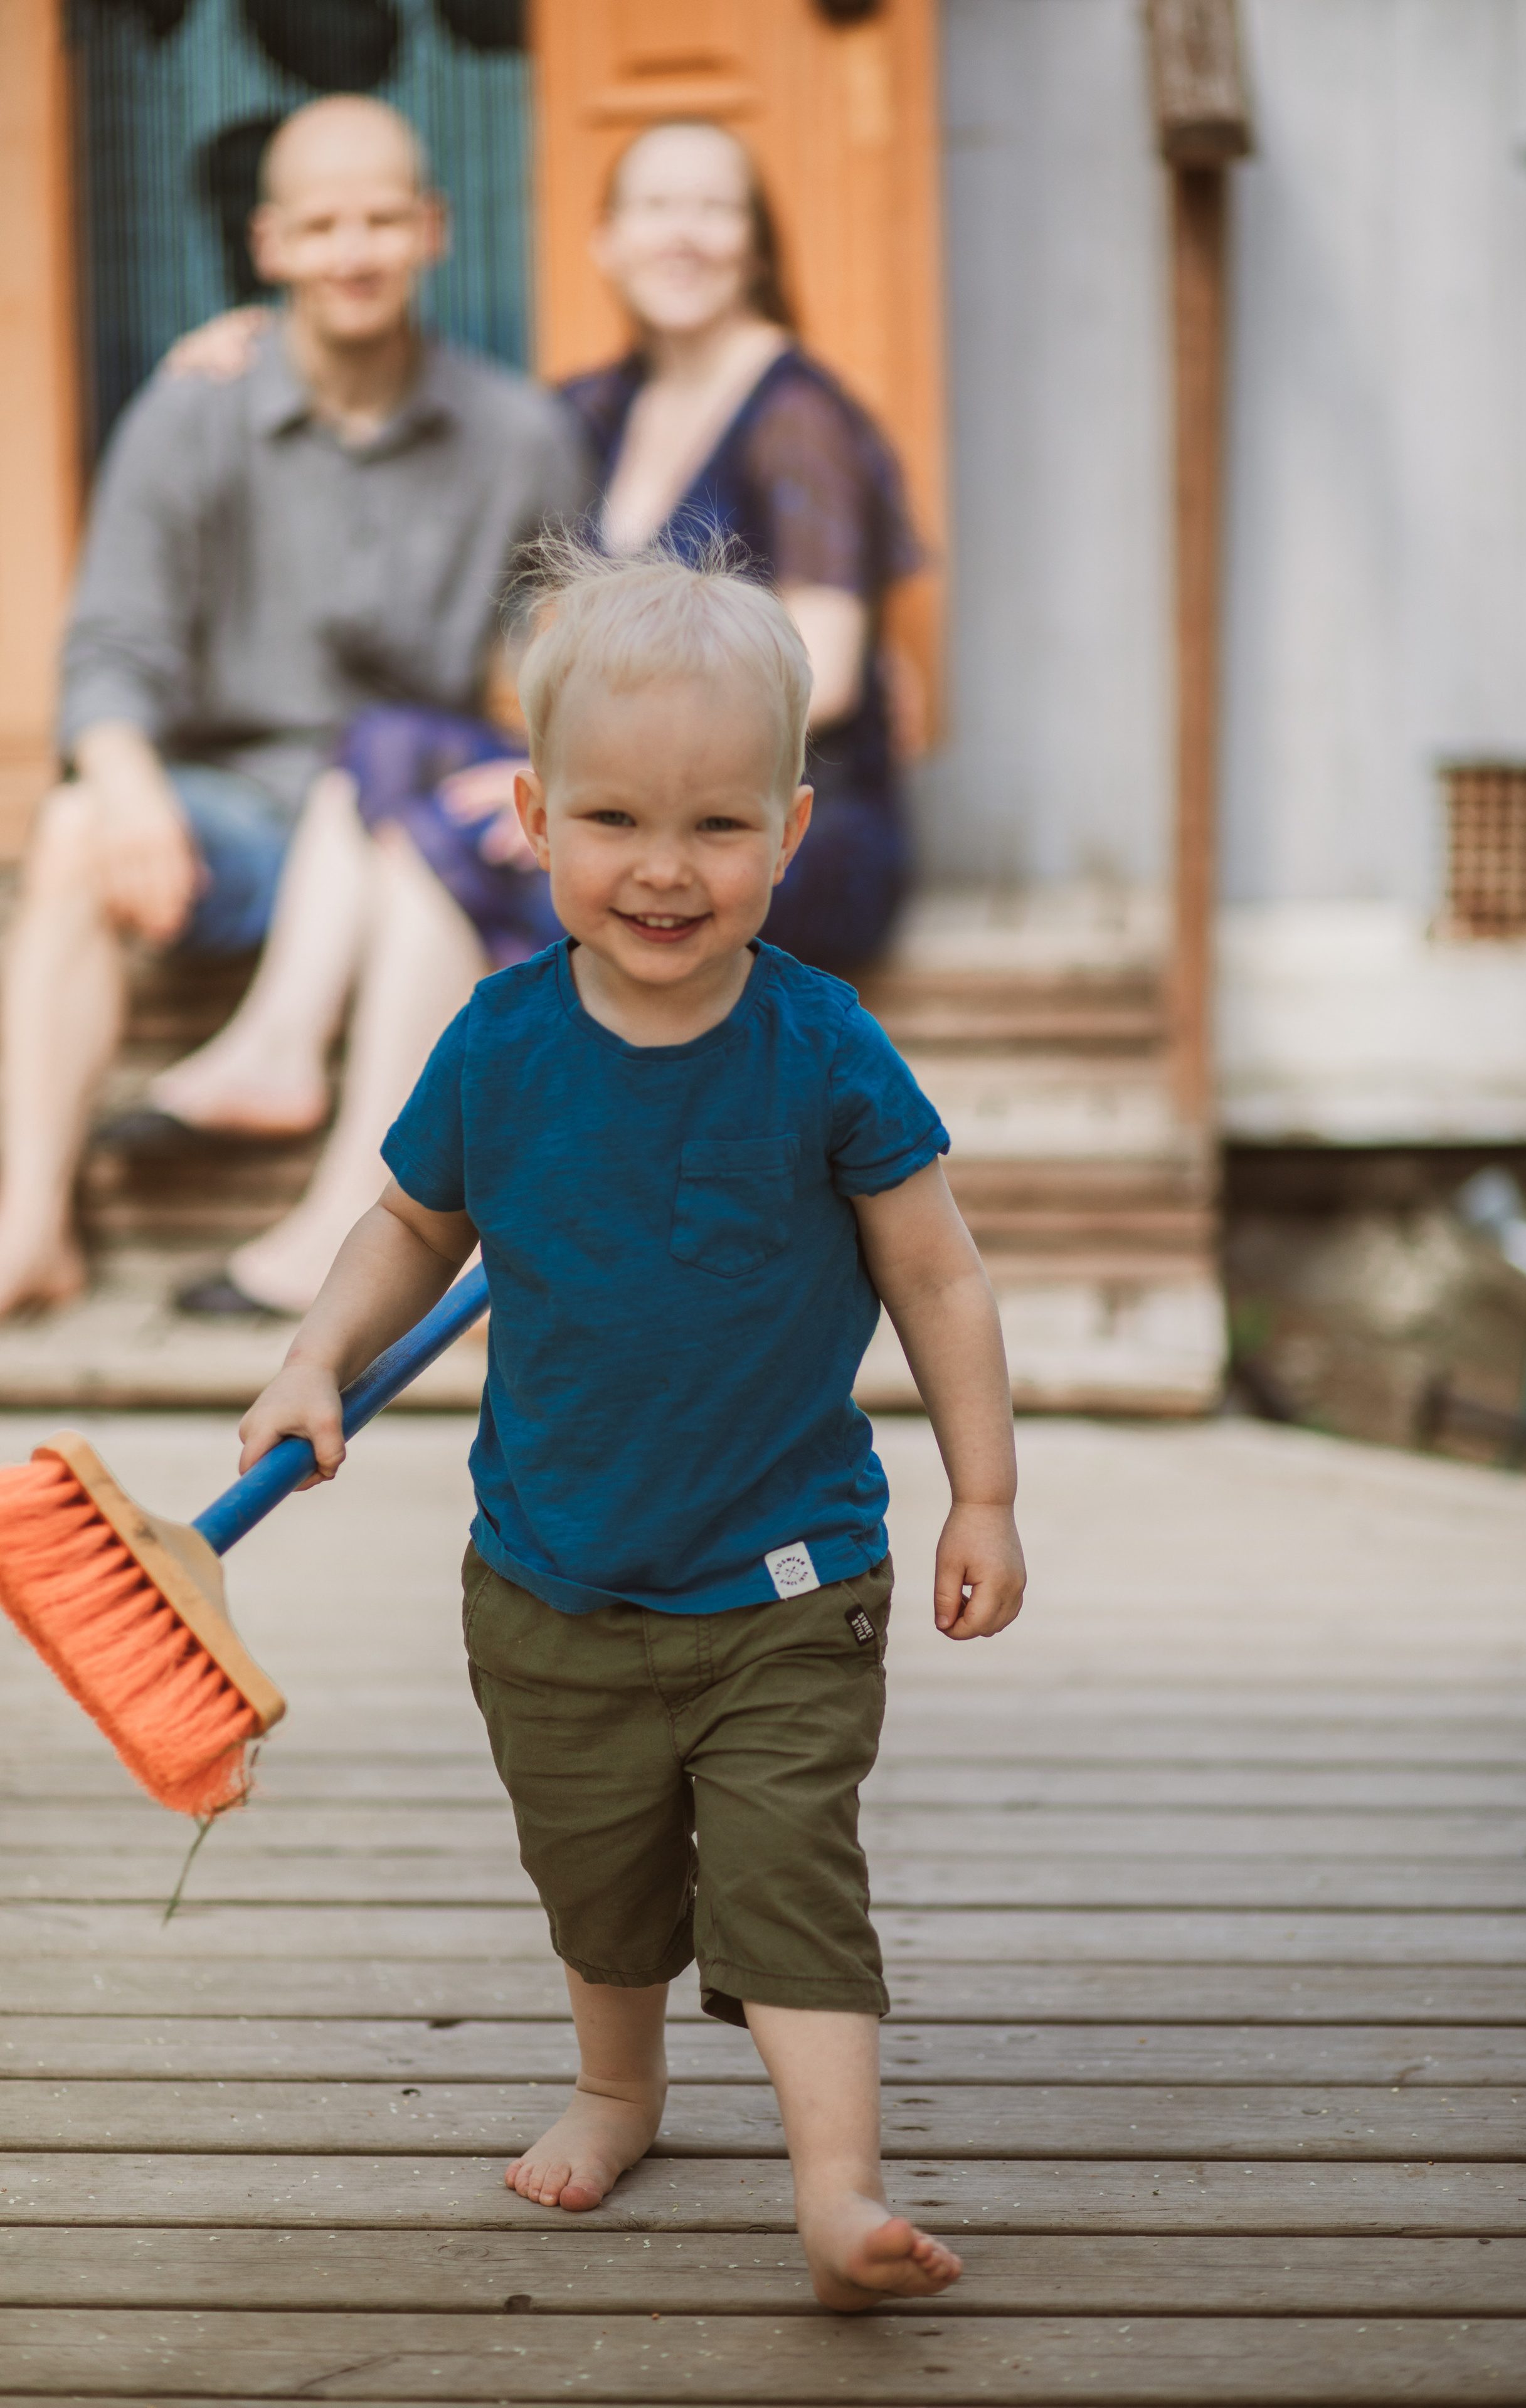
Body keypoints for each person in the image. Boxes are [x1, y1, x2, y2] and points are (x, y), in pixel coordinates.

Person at [238, 537, 1025, 2309]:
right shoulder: (502, 1045)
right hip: (551, 1573)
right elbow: (408, 1227)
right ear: (530, 814)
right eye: (612, 822)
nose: (664, 871)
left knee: (787, 1871)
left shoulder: (825, 1054)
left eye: (718, 828)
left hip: (785, 1576)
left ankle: (839, 2193)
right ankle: (621, 2085)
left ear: (794, 830)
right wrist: (314, 1354)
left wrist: (984, 1491)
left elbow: (943, 1279)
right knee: (595, 1876)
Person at [138, 114, 920, 1318]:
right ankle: (278, 1046)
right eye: (655, 206)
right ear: (603, 242)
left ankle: (347, 1228)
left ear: (758, 244)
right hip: (645, 789)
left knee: (436, 851)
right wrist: (252, 346)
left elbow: (832, 677)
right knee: (387, 745)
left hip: (769, 822)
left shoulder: (797, 414)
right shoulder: (601, 408)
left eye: (716, 208)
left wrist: (614, 799)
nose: (685, 234)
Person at [0, 93, 583, 1321]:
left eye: (381, 219)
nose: (354, 251)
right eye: (321, 226)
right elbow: (109, 647)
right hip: (237, 821)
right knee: (65, 832)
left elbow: (561, 666)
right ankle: (30, 1230)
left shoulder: (517, 434)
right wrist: (126, 787)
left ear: (433, 229)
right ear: (268, 247)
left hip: (391, 825)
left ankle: (340, 1219)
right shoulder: (189, 412)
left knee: (405, 803)